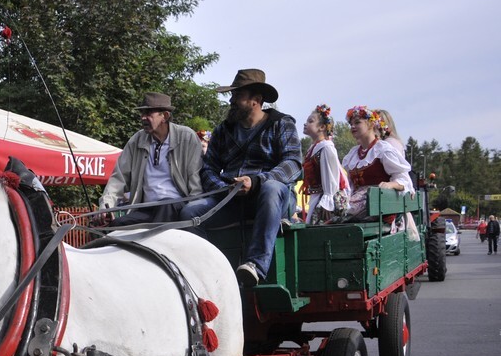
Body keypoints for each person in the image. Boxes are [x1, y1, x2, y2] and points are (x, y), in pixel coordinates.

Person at [183, 68, 302, 287]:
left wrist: (256, 182)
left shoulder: (281, 124)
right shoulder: (223, 130)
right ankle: (207, 272)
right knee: (190, 212)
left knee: (272, 188)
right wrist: (224, 188)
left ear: (256, 100)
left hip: (271, 199)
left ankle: (255, 265)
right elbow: (208, 169)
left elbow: (293, 163)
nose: (232, 100)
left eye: (237, 95)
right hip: (231, 199)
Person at [98, 92, 206, 225]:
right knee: (117, 226)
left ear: (165, 116)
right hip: (147, 208)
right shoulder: (136, 140)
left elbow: (195, 179)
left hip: (176, 206)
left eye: (149, 113)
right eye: (142, 113)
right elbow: (118, 178)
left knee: (164, 210)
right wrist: (106, 206)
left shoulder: (186, 137)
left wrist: (194, 211)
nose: (143, 117)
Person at [341, 106, 414, 221]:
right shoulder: (353, 154)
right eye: (351, 124)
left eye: (357, 122)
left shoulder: (383, 149)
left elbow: (404, 180)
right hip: (356, 202)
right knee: (336, 209)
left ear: (371, 124)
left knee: (346, 211)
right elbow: (349, 185)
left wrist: (391, 185)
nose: (353, 126)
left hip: (377, 206)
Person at [300, 104, 349, 224]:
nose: (305, 124)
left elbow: (331, 176)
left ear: (322, 127)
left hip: (327, 198)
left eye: (310, 121)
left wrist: (328, 201)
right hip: (317, 196)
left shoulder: (326, 147)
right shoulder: (314, 148)